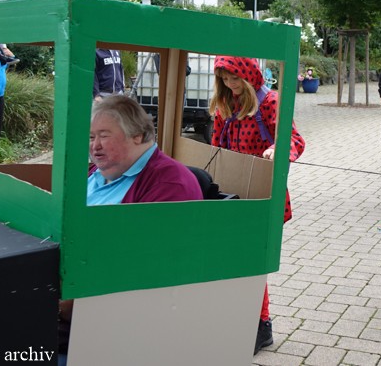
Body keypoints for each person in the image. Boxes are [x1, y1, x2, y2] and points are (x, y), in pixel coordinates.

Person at [58, 95, 203, 364]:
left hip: (109, 313)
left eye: (104, 135)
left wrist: (72, 302)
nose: (95, 146)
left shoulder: (170, 184)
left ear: (137, 135)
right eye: (91, 137)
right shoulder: (96, 173)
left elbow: (143, 266)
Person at [209, 56, 305, 355]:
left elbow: (295, 139)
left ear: (248, 74)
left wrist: (278, 149)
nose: (230, 84)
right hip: (231, 193)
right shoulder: (224, 105)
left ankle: (261, 325)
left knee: (251, 262)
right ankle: (241, 319)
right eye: (224, 79)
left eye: (234, 78)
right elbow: (216, 145)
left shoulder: (270, 102)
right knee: (235, 260)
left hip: (262, 194)